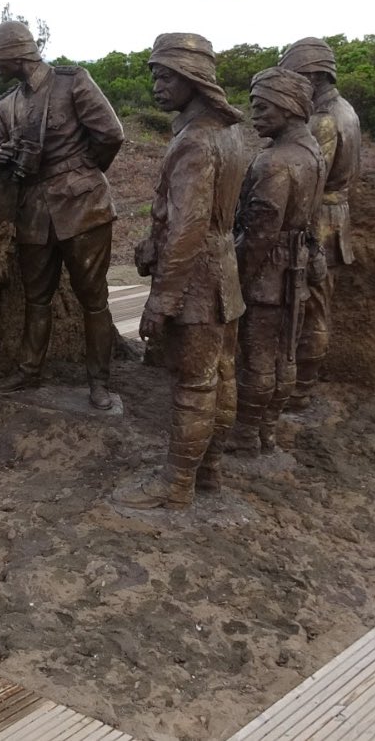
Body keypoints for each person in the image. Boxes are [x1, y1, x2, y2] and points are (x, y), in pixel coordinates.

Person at [113, 33, 249, 509]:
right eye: (154, 74)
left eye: (166, 75)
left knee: (194, 384)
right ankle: (207, 474)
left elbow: (189, 226)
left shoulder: (195, 140)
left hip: (196, 279)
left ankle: (176, 484)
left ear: (193, 79)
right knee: (222, 375)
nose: (157, 85)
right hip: (223, 274)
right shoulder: (230, 133)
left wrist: (161, 299)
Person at [0, 21, 125, 409]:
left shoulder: (73, 81)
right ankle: (29, 372)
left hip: (83, 208)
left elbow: (111, 134)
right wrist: (4, 157)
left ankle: (98, 383)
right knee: (37, 298)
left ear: (16, 53)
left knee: (93, 299)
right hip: (34, 212)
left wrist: (82, 172)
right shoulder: (7, 104)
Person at [228, 67, 326, 456]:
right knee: (285, 353)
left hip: (267, 274)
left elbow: (259, 234)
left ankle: (247, 433)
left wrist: (236, 276)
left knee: (258, 358)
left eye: (262, 106)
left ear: (287, 107)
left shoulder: (274, 163)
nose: (254, 115)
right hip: (296, 270)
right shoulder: (312, 153)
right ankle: (267, 430)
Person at [278, 38, 362, 409]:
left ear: (313, 75)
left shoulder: (324, 120)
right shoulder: (347, 110)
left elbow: (311, 182)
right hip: (334, 217)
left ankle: (299, 391)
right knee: (312, 306)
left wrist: (304, 236)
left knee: (309, 308)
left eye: (295, 78)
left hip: (319, 222)